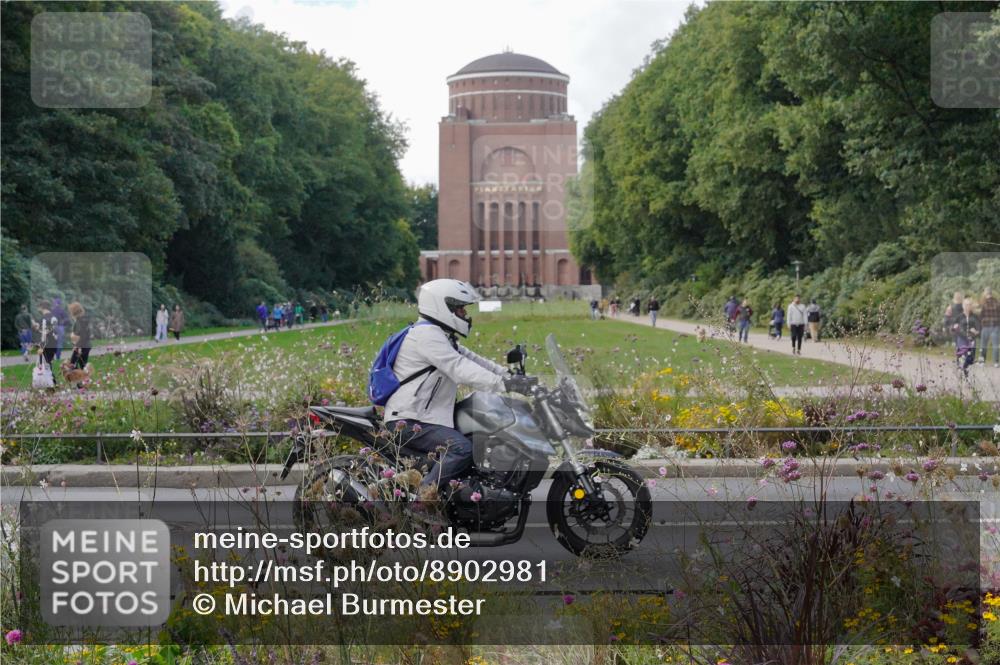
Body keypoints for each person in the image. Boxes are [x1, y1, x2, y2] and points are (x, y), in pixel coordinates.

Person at [384, 279, 532, 499]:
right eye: (460, 308)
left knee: (479, 436)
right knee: (461, 449)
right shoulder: (426, 336)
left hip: (428, 416)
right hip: (410, 420)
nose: (464, 313)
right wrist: (504, 385)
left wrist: (510, 376)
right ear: (443, 307)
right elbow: (459, 368)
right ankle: (422, 502)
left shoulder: (440, 335)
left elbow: (474, 360)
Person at [954, 297, 980, 377]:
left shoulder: (975, 317)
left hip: (971, 339)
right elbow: (954, 327)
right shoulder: (959, 317)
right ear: (963, 306)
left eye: (969, 305)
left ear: (971, 306)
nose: (967, 306)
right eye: (965, 304)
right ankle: (962, 371)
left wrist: (975, 331)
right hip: (961, 338)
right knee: (962, 356)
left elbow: (979, 328)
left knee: (970, 358)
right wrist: (955, 327)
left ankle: (965, 369)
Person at [35, 308, 59, 383]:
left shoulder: (43, 319)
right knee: (48, 363)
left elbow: (43, 334)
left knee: (45, 364)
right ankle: (52, 382)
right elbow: (56, 332)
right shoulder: (54, 318)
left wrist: (40, 346)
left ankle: (51, 382)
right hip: (53, 344)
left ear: (43, 307)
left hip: (46, 344)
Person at [979, 287, 999, 368]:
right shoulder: (997, 303)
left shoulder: (983, 303)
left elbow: (981, 315)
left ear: (985, 293)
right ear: (991, 293)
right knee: (995, 345)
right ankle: (996, 362)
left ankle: (982, 362)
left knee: (983, 344)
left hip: (986, 326)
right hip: (996, 326)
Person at [68, 302, 92, 369]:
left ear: (73, 312)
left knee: (72, 364)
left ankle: (78, 378)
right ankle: (85, 378)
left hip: (81, 346)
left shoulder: (79, 321)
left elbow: (81, 336)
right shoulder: (84, 320)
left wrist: (77, 346)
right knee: (83, 365)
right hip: (86, 345)